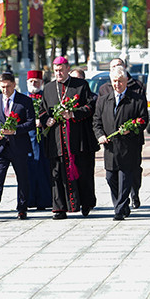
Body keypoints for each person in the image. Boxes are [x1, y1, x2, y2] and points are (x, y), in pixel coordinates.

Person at [41, 56, 98, 219]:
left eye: (61, 69)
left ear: (67, 68)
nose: (58, 73)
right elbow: (43, 110)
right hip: (57, 139)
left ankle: (86, 204)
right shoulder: (49, 88)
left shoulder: (81, 85)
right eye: (56, 70)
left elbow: (90, 106)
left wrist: (73, 114)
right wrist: (47, 120)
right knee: (57, 173)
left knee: (83, 172)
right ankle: (59, 208)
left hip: (78, 138)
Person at [93, 66, 148, 220]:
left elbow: (143, 120)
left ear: (126, 81)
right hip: (110, 148)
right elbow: (96, 122)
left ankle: (119, 210)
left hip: (128, 147)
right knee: (110, 178)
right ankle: (121, 205)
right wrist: (100, 135)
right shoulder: (104, 100)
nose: (117, 84)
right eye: (115, 81)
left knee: (125, 180)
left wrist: (131, 129)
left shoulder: (136, 99)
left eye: (120, 81)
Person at [0, 72, 35, 221]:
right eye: (2, 87)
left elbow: (31, 123)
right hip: (1, 147)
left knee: (22, 178)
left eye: (8, 87)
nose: (5, 90)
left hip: (19, 146)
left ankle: (22, 208)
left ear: (14, 85)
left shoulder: (24, 101)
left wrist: (16, 130)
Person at [24, 70, 51, 211]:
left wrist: (43, 121)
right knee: (29, 169)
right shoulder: (23, 98)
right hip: (28, 139)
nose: (34, 84)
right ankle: (29, 200)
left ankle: (45, 200)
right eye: (31, 81)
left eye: (36, 81)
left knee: (44, 169)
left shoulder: (46, 97)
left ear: (41, 83)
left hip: (44, 138)